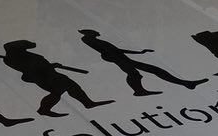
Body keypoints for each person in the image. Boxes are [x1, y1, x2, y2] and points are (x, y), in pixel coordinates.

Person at [0, 39, 112, 116]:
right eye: (24, 45)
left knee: (67, 87)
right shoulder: (13, 59)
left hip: (49, 73)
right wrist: (49, 66)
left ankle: (86, 102)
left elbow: (38, 64)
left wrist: (51, 65)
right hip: (43, 76)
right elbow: (33, 68)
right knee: (60, 90)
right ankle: (46, 109)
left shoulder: (19, 56)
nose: (28, 46)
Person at [78, 28, 206, 96]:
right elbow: (115, 50)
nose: (98, 32)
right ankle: (140, 91)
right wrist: (136, 53)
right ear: (91, 33)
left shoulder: (95, 41)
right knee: (142, 72)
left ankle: (185, 83)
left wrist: (139, 53)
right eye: (95, 31)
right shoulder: (89, 40)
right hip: (116, 57)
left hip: (118, 57)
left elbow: (117, 50)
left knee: (140, 72)